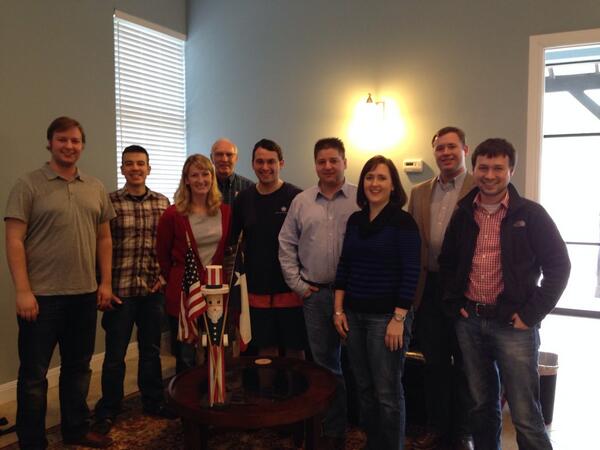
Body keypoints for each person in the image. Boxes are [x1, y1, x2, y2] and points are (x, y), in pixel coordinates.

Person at [438, 138, 571, 450]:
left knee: (525, 414)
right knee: (481, 407)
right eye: (483, 167)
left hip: (515, 326)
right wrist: (454, 303)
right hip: (470, 323)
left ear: (511, 171)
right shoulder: (463, 213)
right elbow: (447, 263)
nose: (490, 175)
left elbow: (559, 266)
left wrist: (530, 314)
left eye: (498, 168)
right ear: (474, 169)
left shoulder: (531, 215)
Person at [4, 116, 115, 449]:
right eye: (62, 139)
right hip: (41, 298)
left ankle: (76, 429)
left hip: (84, 294)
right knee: (34, 376)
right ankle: (32, 441)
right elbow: (14, 240)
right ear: (50, 143)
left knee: (78, 368)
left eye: (75, 140)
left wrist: (105, 283)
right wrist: (23, 291)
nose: (69, 146)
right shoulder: (28, 185)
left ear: (82, 145)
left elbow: (104, 239)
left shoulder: (95, 187)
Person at [333, 155, 420, 450]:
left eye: (382, 177)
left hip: (387, 319)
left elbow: (411, 272)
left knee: (387, 393)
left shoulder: (403, 222)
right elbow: (344, 266)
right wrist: (338, 310)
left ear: (393, 185)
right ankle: (373, 444)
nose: (374, 183)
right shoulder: (355, 220)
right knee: (364, 388)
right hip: (354, 316)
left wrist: (398, 319)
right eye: (369, 177)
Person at [279, 137, 358, 449]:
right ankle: (334, 430)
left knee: (361, 365)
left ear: (344, 162)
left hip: (356, 298)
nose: (328, 166)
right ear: (315, 165)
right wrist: (299, 286)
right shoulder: (302, 201)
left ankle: (364, 424)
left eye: (333, 160)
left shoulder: (361, 198)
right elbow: (286, 244)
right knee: (325, 366)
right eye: (322, 161)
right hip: (317, 296)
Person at [93, 145, 173, 435]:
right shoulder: (109, 202)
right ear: (122, 169)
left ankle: (153, 400)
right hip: (120, 292)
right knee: (115, 355)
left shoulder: (163, 203)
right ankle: (109, 408)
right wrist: (102, 285)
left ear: (149, 169)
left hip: (152, 291)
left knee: (151, 351)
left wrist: (164, 277)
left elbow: (170, 246)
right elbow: (99, 246)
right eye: (129, 164)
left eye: (141, 163)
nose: (135, 168)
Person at [407, 127, 474, 450]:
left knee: (464, 364)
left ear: (465, 149)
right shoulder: (419, 192)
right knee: (433, 363)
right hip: (429, 288)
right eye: (440, 148)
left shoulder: (479, 186)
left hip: (465, 289)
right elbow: (412, 242)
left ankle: (462, 432)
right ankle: (436, 427)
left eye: (451, 147)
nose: (445, 153)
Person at [231, 139, 306, 362]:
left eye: (271, 161)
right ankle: (267, 386)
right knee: (265, 350)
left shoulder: (297, 197)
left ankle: (296, 387)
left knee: (295, 349)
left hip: (291, 287)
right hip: (257, 288)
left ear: (281, 163)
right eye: (260, 162)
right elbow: (233, 242)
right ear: (252, 164)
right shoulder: (243, 199)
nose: (265, 167)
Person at [156, 154, 231, 373]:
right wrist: (174, 278)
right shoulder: (173, 214)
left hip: (216, 289)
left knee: (214, 348)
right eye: (194, 175)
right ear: (186, 180)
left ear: (212, 177)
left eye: (205, 174)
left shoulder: (226, 212)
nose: (201, 180)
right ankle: (186, 392)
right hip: (183, 289)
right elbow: (162, 254)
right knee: (185, 353)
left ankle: (212, 389)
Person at [210, 138, 253, 205]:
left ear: (236, 158)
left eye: (229, 155)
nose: (224, 159)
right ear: (211, 158)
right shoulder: (204, 186)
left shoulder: (249, 188)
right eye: (219, 154)